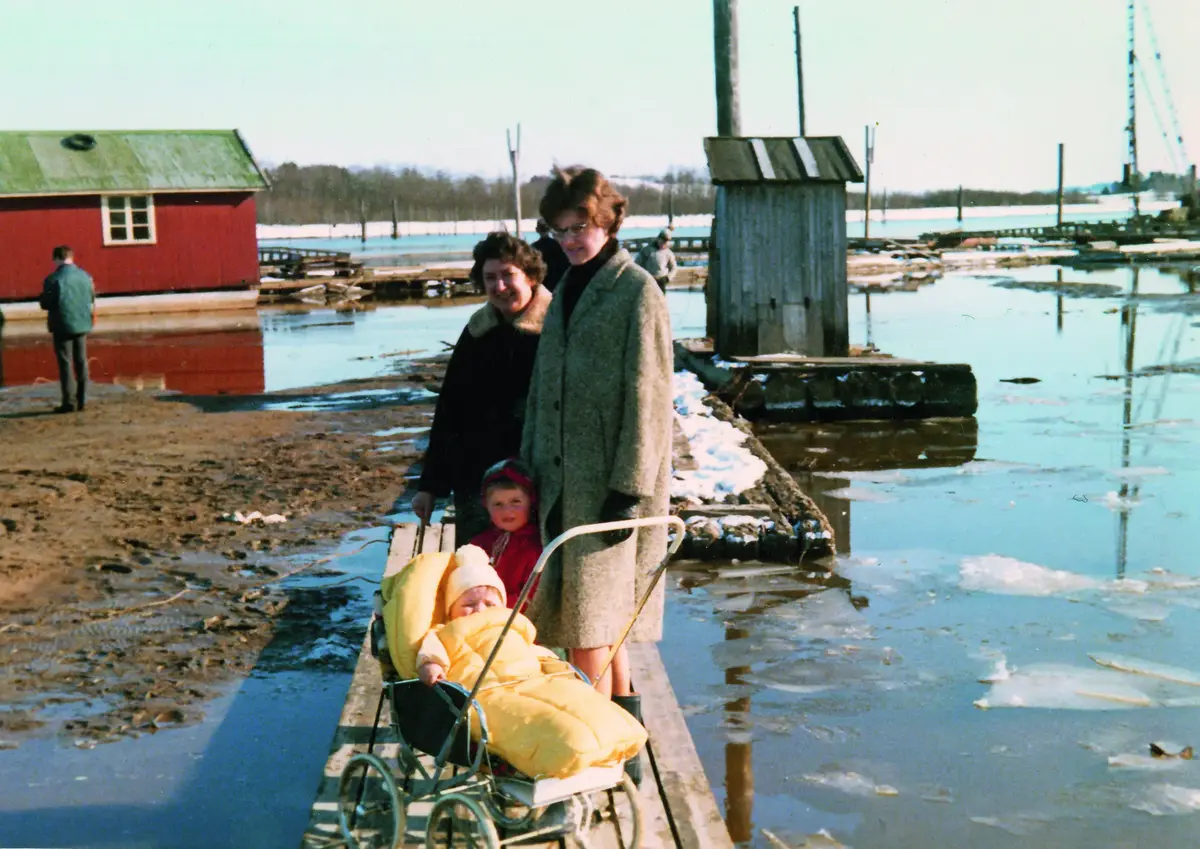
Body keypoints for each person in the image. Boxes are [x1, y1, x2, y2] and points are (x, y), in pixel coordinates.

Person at [521, 166, 673, 783]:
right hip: (560, 482)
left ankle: (590, 755)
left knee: (589, 626)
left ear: (608, 222)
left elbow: (650, 397)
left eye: (579, 228)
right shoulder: (566, 289)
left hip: (609, 490)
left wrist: (629, 489)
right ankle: (623, 746)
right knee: (600, 624)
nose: (569, 240)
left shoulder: (637, 291)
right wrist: (528, 465)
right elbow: (542, 389)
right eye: (559, 231)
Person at [412, 545, 646, 779]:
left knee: (574, 697)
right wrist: (431, 665)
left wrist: (552, 663)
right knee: (535, 721)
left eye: (489, 604)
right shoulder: (444, 633)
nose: (480, 610)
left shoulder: (510, 624)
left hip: (533, 679)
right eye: (468, 605)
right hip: (486, 692)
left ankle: (611, 735)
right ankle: (566, 754)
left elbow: (531, 650)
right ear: (451, 608)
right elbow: (431, 653)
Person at [411, 233, 549, 542]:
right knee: (475, 564)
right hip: (477, 483)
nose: (499, 286)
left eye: (508, 275)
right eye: (490, 278)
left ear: (530, 275)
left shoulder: (558, 328)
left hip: (539, 481)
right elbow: (450, 410)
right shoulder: (477, 331)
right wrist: (430, 486)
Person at [469, 458, 542, 609]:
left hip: (511, 616)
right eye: (498, 504)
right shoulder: (479, 544)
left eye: (515, 501)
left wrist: (492, 606)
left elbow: (530, 597)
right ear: (486, 506)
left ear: (530, 502)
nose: (507, 511)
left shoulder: (535, 548)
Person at [38, 245, 95, 413]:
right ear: (72, 257)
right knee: (82, 361)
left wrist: (42, 298)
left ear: (57, 259)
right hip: (82, 323)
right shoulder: (85, 276)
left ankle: (69, 402)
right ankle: (82, 400)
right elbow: (91, 298)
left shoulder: (53, 279)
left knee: (66, 363)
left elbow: (46, 304)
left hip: (62, 324)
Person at [530, 218, 570, 293]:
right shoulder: (558, 245)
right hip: (556, 284)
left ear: (537, 230)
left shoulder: (533, 248)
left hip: (541, 286)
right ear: (549, 229)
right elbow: (565, 265)